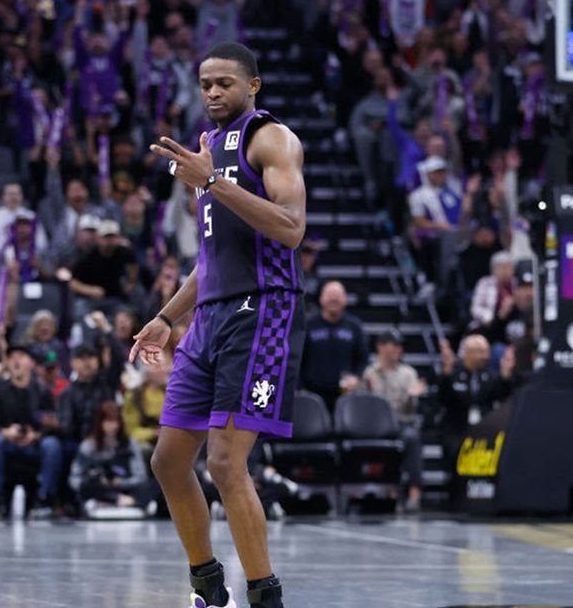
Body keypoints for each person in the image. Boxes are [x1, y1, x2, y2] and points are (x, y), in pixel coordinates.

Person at [132, 42, 306, 608]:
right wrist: (165, 317)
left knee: (227, 462)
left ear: (253, 85)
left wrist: (212, 184)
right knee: (169, 460)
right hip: (210, 316)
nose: (212, 92)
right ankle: (208, 586)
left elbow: (290, 227)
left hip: (264, 311)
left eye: (225, 83)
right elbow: (212, 260)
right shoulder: (207, 150)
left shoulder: (271, 139)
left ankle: (265, 597)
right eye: (205, 83)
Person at [0, 346, 62, 516]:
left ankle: (44, 499)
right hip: (8, 443)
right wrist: (6, 432)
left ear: (31, 363)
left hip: (34, 444)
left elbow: (52, 423)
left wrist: (36, 435)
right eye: (12, 357)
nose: (16, 360)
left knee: (52, 444)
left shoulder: (42, 391)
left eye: (21, 356)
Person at [356, 329, 426, 511]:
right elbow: (363, 404)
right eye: (393, 345)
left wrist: (412, 396)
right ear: (380, 347)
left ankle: (414, 493)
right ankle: (358, 491)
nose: (398, 349)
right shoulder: (369, 372)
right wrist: (360, 389)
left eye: (399, 345)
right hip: (375, 427)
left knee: (412, 437)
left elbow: (410, 409)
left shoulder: (408, 373)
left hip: (400, 423)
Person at [69, 401, 157, 516]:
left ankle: (123, 501)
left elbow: (140, 475)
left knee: (151, 485)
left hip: (126, 486)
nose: (113, 426)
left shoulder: (129, 444)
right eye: (109, 422)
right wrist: (98, 480)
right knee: (87, 486)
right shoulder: (88, 446)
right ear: (100, 423)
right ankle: (119, 500)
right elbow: (74, 479)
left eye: (116, 422)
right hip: (100, 488)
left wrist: (121, 482)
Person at [300, 281, 368, 412]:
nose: (333, 298)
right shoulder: (308, 325)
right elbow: (299, 359)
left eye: (337, 295)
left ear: (345, 299)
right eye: (330, 294)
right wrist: (300, 388)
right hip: (312, 395)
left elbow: (363, 358)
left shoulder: (354, 326)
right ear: (320, 298)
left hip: (345, 395)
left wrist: (356, 377)